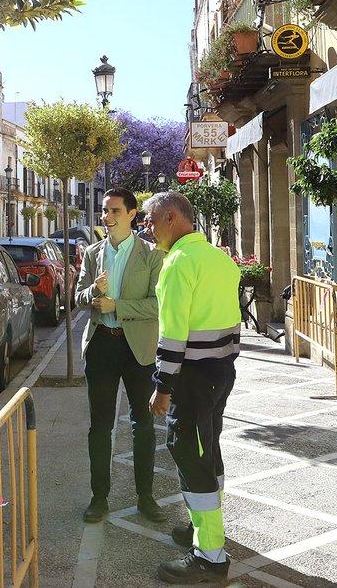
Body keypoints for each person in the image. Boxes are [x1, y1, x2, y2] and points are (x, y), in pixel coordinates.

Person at [145, 192, 241, 584]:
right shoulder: (220, 258)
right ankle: (202, 528)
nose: (148, 230)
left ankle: (210, 556)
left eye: (151, 221)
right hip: (221, 372)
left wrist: (162, 386)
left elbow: (173, 335)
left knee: (188, 451)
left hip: (192, 378)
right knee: (208, 446)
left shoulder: (178, 263)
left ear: (171, 218)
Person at [73, 187, 165, 524]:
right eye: (104, 211)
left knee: (143, 425)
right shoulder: (92, 253)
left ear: (131, 215)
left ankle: (146, 498)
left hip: (137, 347)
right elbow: (77, 298)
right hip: (101, 345)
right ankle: (99, 498)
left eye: (113, 211)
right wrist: (93, 292)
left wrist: (118, 307)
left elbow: (157, 305)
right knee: (99, 425)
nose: (106, 217)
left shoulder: (152, 255)